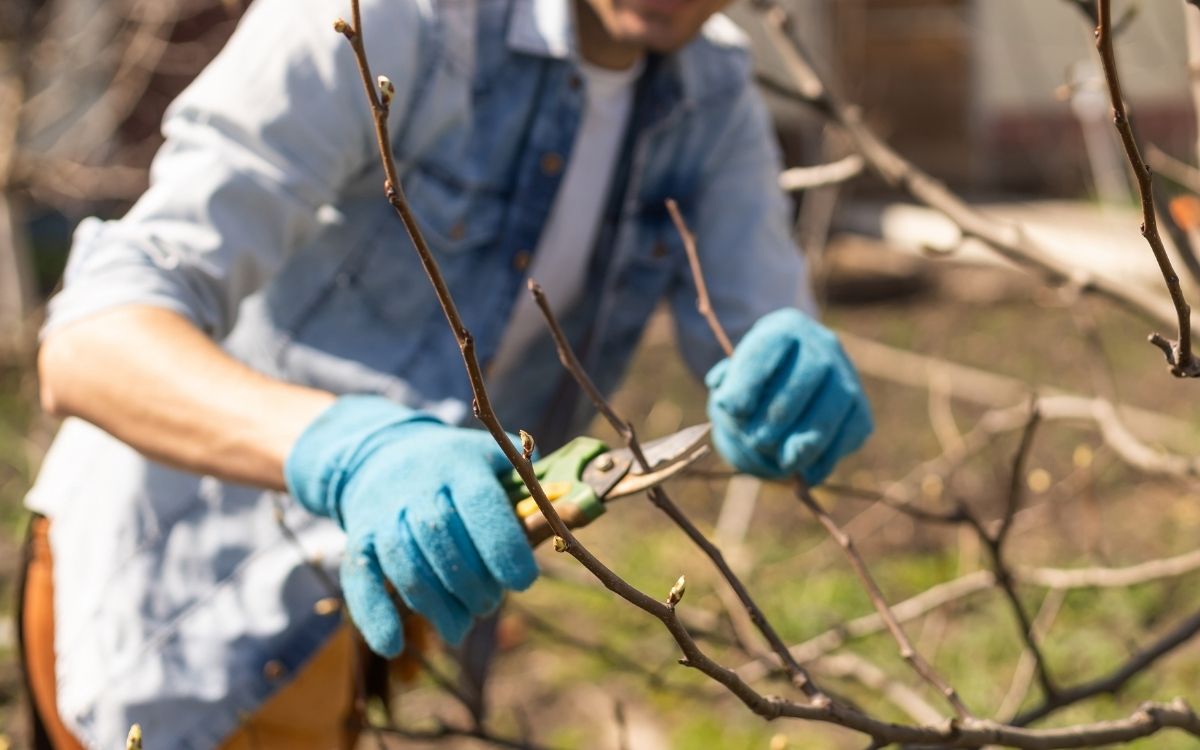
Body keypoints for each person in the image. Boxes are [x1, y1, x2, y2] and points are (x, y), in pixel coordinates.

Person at [20, 0, 873, 745]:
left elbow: (755, 330)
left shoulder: (708, 92)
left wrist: (785, 380)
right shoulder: (390, 20)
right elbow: (93, 337)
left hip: (381, 613)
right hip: (177, 596)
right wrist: (351, 448)